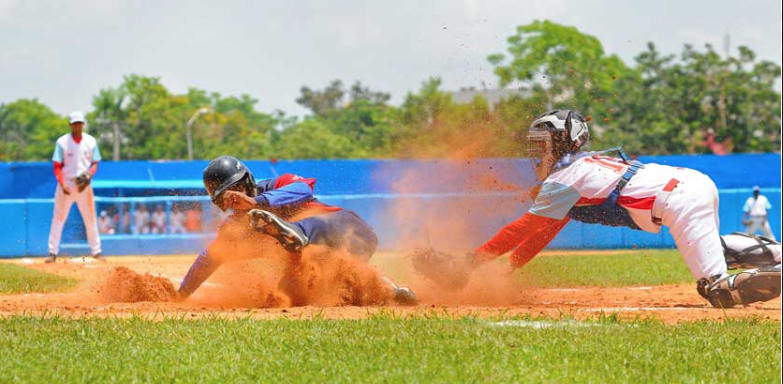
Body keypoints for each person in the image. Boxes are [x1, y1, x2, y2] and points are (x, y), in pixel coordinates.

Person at [420, 110, 780, 308]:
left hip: (677, 199)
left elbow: (523, 229)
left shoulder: (565, 178)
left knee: (718, 291)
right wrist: (505, 273)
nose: (536, 153)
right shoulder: (581, 169)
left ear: (561, 142)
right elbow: (543, 232)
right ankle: (775, 254)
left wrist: (470, 262)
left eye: (541, 144)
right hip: (691, 183)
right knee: (713, 250)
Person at [177, 155, 417, 305]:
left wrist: (258, 203)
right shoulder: (238, 228)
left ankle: (297, 233)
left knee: (318, 226)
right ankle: (388, 291)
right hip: (328, 261)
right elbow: (209, 258)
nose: (233, 200)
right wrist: (181, 296)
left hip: (349, 231)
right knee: (293, 294)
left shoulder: (279, 183)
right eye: (224, 200)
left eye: (237, 190)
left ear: (249, 180)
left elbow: (304, 191)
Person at [45, 111, 104, 263]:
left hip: (84, 184)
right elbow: (57, 165)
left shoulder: (91, 141)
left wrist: (89, 175)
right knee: (58, 218)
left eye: (79, 123)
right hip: (67, 183)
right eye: (74, 123)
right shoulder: (62, 142)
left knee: (90, 218)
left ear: (83, 124)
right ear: (70, 124)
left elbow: (95, 162)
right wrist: (62, 183)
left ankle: (96, 251)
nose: (77, 125)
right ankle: (52, 252)